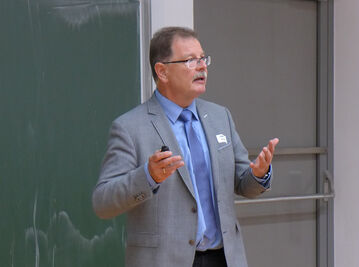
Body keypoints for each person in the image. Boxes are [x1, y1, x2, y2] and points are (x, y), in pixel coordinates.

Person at [92, 26, 279, 267]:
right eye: (190, 60)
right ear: (162, 71)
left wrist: (258, 175)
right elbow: (103, 203)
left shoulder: (220, 116)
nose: (202, 67)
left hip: (223, 258)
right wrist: (147, 177)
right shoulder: (129, 127)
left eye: (203, 59)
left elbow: (245, 185)